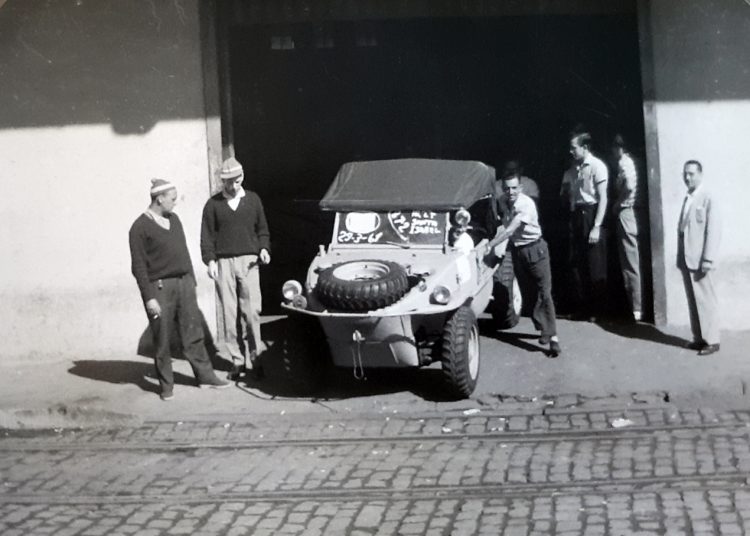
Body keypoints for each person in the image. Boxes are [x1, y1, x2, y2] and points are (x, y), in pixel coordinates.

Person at [129, 179, 231, 401]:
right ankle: (166, 386)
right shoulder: (139, 228)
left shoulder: (174, 220)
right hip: (159, 288)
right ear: (159, 199)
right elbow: (138, 267)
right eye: (172, 199)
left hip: (184, 283)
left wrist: (191, 281)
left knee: (193, 334)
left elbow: (183, 252)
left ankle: (206, 377)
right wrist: (149, 298)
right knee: (162, 338)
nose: (176, 203)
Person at [201, 157, 271, 380]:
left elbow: (262, 229)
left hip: (249, 261)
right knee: (230, 314)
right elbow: (207, 236)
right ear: (222, 182)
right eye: (228, 182)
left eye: (237, 180)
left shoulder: (253, 200)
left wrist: (263, 248)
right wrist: (210, 261)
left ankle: (257, 359)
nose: (233, 186)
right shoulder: (213, 205)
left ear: (243, 177)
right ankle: (237, 361)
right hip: (224, 262)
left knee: (252, 313)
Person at [489, 174, 561, 357]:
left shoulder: (525, 204)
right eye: (507, 188)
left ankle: (553, 338)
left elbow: (510, 230)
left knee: (544, 292)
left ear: (520, 188)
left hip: (535, 249)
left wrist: (490, 245)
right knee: (528, 292)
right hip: (518, 251)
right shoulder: (502, 201)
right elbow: (498, 219)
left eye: (514, 188)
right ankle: (542, 325)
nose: (510, 192)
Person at [560, 132, 609, 321]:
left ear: (585, 147)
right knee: (577, 263)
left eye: (574, 147)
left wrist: (596, 226)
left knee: (595, 263)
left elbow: (603, 198)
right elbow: (570, 195)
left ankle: (599, 311)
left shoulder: (597, 166)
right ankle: (583, 308)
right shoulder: (574, 168)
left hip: (592, 214)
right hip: (577, 215)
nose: (571, 151)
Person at [678, 160, 721, 356]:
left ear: (700, 174)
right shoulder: (688, 197)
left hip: (700, 258)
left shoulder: (708, 197)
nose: (687, 178)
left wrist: (708, 258)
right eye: (685, 174)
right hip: (687, 256)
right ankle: (699, 338)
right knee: (693, 300)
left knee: (705, 300)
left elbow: (713, 229)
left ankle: (712, 340)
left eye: (692, 174)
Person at [611, 134, 642, 322]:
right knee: (629, 258)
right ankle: (633, 305)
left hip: (626, 211)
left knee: (629, 259)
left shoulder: (625, 162)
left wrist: (618, 202)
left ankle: (635, 308)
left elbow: (629, 186)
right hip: (629, 211)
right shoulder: (630, 162)